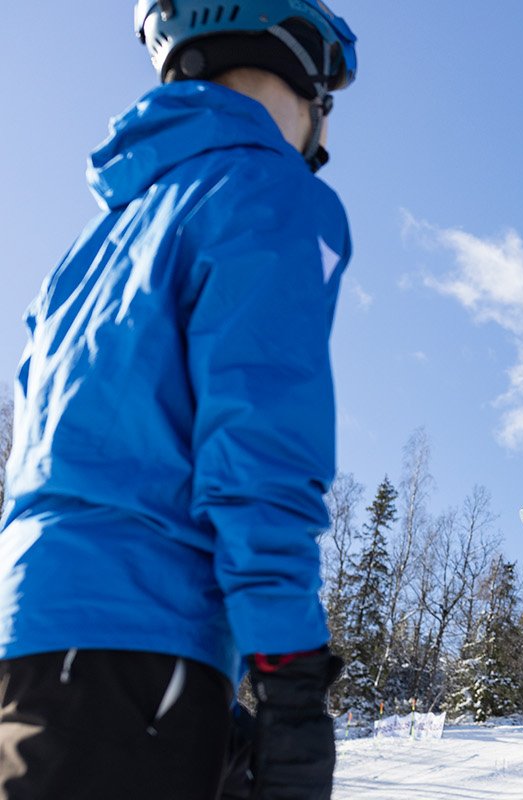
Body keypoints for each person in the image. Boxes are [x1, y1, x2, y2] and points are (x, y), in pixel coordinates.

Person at [0, 2, 359, 798]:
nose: (323, 140)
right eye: (325, 107)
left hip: (35, 640)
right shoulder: (266, 190)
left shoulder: (94, 246)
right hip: (143, 645)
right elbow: (258, 445)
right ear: (293, 74)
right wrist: (289, 678)